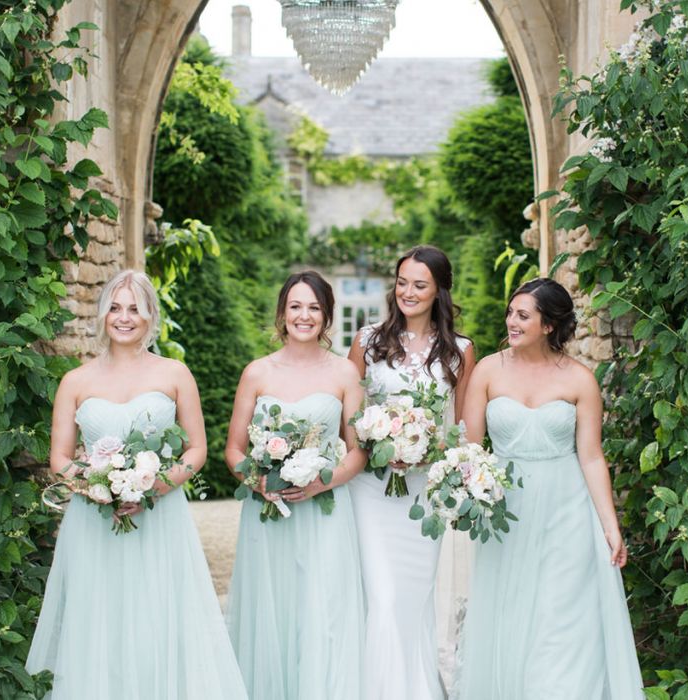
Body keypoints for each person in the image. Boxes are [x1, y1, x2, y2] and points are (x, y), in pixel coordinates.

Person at [25, 270, 248, 699]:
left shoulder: (175, 374)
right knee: (97, 619)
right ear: (103, 313)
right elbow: (59, 459)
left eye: (135, 309)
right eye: (116, 307)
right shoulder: (75, 381)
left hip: (160, 520)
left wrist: (153, 487)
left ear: (150, 317)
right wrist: (99, 488)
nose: (124, 317)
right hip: (94, 524)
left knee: (157, 617)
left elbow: (196, 450)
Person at [456, 277, 643, 699]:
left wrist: (609, 526)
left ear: (549, 324)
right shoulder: (488, 369)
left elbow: (592, 456)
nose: (512, 322)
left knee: (561, 619)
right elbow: (469, 447)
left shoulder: (580, 379)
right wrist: (467, 491)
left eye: (523, 315)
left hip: (567, 510)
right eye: (511, 313)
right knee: (513, 613)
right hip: (507, 511)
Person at [225, 271, 366, 700]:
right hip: (268, 514)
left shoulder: (345, 373)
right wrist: (258, 481)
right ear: (282, 313)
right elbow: (233, 449)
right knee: (274, 610)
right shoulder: (257, 373)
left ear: (326, 317)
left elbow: (358, 452)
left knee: (323, 613)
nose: (304, 316)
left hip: (325, 511)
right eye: (295, 307)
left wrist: (322, 482)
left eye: (314, 308)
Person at [347, 245, 475, 700]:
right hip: (369, 491)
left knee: (413, 600)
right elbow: (349, 417)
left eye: (419, 284)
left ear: (439, 289)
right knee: (380, 597)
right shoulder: (366, 342)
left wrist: (427, 453)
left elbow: (463, 431)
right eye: (402, 282)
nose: (408, 292)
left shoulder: (460, 351)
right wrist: (376, 443)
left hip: (422, 495)